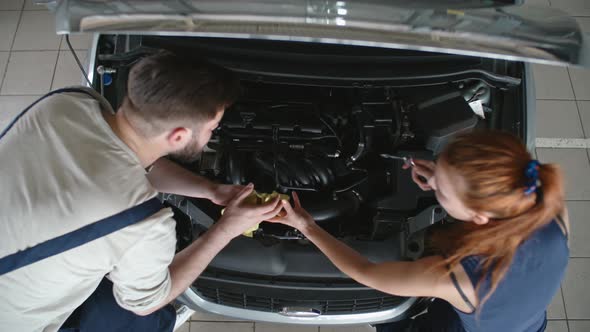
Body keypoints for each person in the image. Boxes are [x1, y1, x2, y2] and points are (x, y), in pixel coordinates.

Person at [0, 51, 283, 332]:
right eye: (213, 128)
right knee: (144, 316)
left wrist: (210, 189)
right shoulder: (142, 222)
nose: (213, 133)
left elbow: (127, 158)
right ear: (179, 136)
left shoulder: (66, 102)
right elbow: (146, 302)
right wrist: (226, 229)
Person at [273, 130, 569, 332]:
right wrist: (443, 179)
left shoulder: (457, 279)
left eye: (442, 194)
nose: (433, 187)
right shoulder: (548, 204)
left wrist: (307, 226)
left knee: (395, 320)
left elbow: (365, 272)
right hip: (523, 322)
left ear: (478, 216)